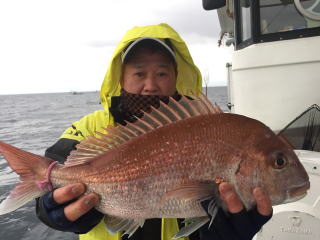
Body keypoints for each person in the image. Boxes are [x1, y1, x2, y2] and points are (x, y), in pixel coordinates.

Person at [36, 23, 272, 240]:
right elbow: (48, 177)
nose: (150, 85)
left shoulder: (204, 125)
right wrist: (52, 210)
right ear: (120, 77)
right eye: (139, 73)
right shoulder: (88, 129)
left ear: (176, 77)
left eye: (161, 73)